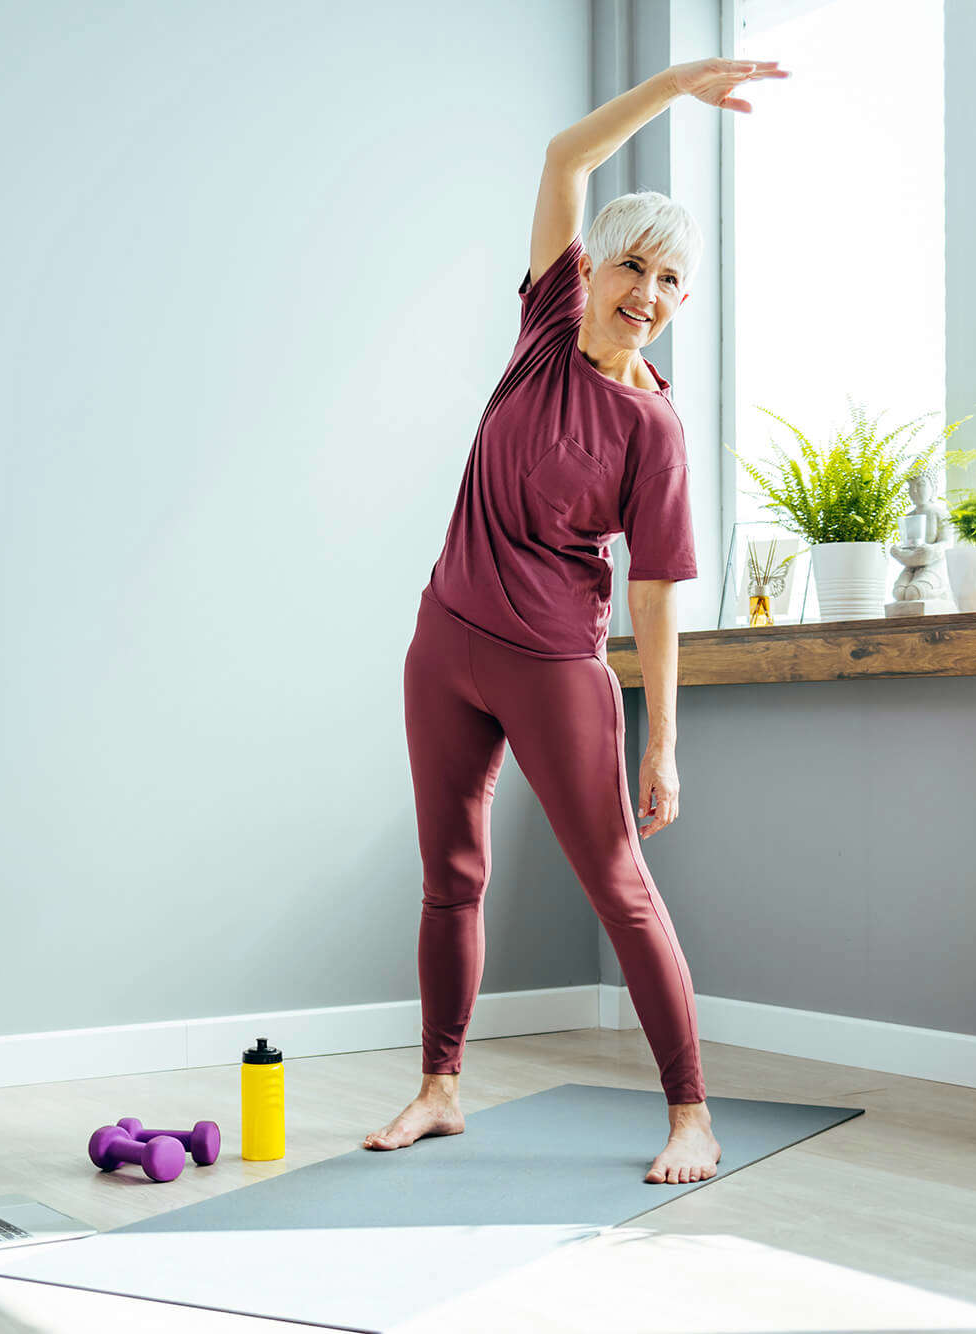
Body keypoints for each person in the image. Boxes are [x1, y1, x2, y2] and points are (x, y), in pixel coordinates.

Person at [363, 56, 788, 1185]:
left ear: (680, 304)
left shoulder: (655, 431)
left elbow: (653, 590)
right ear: (588, 267)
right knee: (448, 873)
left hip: (551, 665)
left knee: (618, 887)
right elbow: (563, 157)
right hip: (441, 640)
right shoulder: (546, 323)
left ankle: (689, 1111)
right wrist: (674, 84)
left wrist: (662, 741)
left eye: (667, 279)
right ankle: (439, 1088)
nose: (643, 289)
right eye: (629, 264)